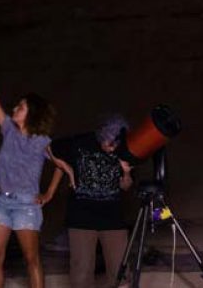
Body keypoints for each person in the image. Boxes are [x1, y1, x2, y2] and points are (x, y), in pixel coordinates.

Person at [0, 53, 69, 288]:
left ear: (31, 113)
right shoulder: (8, 130)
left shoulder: (41, 141)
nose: (15, 108)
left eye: (20, 106)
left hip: (26, 204)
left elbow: (60, 165)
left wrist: (50, 193)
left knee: (31, 259)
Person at [44, 114, 133, 288]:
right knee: (81, 276)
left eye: (116, 145)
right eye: (109, 144)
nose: (112, 149)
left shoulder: (124, 149)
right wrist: (67, 170)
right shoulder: (79, 142)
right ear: (102, 136)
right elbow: (48, 148)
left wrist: (127, 172)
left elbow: (126, 187)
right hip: (81, 219)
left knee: (120, 274)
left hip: (113, 220)